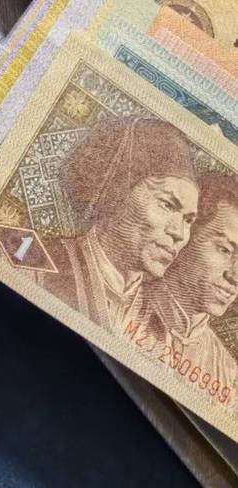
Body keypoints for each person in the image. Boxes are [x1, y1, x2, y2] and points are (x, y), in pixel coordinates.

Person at [35, 115, 199, 335]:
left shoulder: (162, 329)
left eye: (188, 220)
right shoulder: (36, 266)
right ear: (118, 193)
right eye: (167, 205)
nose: (178, 233)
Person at [137, 171, 238, 403]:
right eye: (224, 250)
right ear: (186, 236)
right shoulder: (119, 305)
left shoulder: (229, 373)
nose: (234, 276)